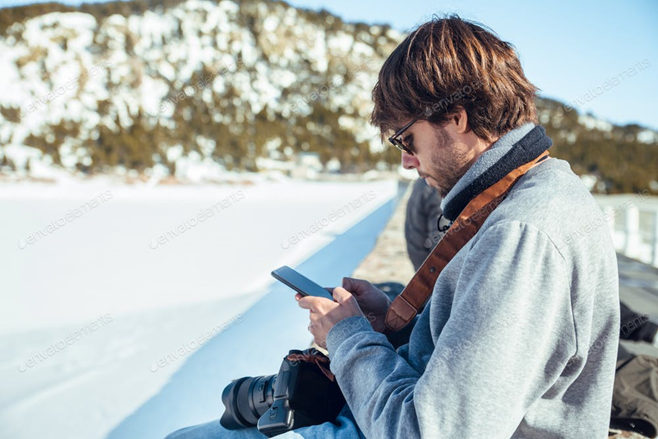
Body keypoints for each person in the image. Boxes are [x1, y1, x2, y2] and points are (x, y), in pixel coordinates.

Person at [166, 15, 619, 438]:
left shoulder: (522, 235)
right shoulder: (534, 190)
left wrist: (346, 337)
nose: (406, 161)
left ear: (456, 118)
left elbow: (429, 431)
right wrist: (395, 323)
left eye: (406, 139)